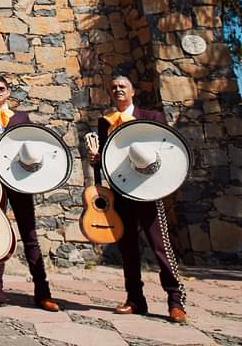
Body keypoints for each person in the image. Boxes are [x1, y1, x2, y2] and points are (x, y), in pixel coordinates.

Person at [92, 75, 187, 324]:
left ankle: (175, 301)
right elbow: (107, 159)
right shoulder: (105, 122)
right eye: (113, 87)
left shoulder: (152, 117)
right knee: (127, 249)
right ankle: (135, 299)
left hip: (147, 190)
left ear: (132, 91)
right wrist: (96, 160)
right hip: (120, 191)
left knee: (160, 246)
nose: (117, 90)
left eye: (122, 86)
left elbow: (167, 149)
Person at [0, 75, 60, 312]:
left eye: (2, 88)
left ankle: (43, 293)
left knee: (29, 234)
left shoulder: (21, 118)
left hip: (19, 180)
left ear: (8, 92)